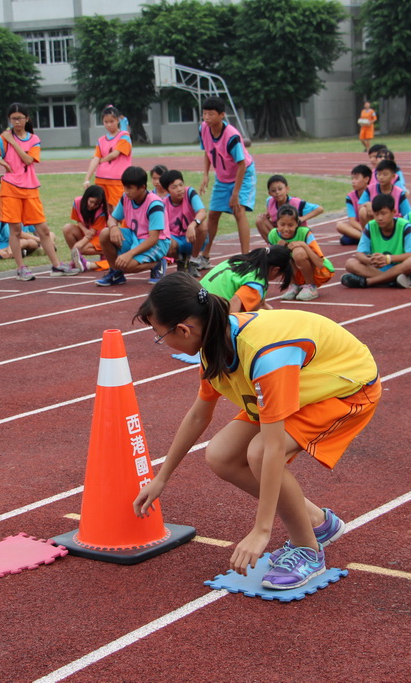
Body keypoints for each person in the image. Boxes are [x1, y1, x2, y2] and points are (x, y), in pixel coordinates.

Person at [132, 272, 382, 589]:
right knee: (221, 455)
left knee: (260, 452)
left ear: (183, 329)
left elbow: (273, 448)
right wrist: (161, 478)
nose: (160, 341)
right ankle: (317, 522)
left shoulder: (265, 355)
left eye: (158, 335)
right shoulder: (214, 341)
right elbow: (198, 415)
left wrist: (261, 530)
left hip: (345, 388)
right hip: (302, 386)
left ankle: (308, 549)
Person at [0, 103, 76, 281]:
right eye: (13, 119)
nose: (17, 122)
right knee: (15, 230)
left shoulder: (32, 139)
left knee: (43, 229)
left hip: (30, 188)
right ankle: (21, 268)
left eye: (20, 118)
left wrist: (12, 141)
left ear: (27, 119)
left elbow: (28, 160)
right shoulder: (2, 139)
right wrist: (2, 162)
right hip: (10, 189)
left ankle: (56, 265)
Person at [198, 96, 256, 264]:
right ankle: (205, 256)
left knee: (239, 211)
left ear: (222, 115)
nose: (207, 118)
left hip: (242, 174)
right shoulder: (203, 128)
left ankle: (246, 258)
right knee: (213, 214)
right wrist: (205, 174)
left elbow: (241, 165)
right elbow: (208, 151)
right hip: (223, 177)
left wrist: (235, 193)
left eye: (211, 114)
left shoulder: (232, 136)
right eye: (204, 114)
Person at [96, 166, 168, 287]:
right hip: (135, 237)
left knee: (126, 266)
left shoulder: (154, 204)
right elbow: (112, 218)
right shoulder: (126, 198)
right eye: (124, 187)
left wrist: (129, 254)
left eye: (130, 188)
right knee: (105, 233)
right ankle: (116, 273)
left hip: (157, 243)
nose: (126, 191)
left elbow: (153, 238)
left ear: (142, 187)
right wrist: (113, 228)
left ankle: (157, 264)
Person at [341, 193, 411, 289]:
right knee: (350, 263)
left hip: (401, 267)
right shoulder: (370, 226)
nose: (379, 218)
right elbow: (360, 254)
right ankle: (392, 280)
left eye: (383, 214)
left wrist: (388, 259)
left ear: (393, 212)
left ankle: (369, 282)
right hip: (381, 269)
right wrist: (371, 260)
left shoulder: (405, 226)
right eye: (376, 214)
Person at [199, 244, 293, 312]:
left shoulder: (240, 261)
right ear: (275, 270)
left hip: (197, 301)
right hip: (207, 314)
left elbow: (262, 305)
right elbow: (234, 306)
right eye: (279, 275)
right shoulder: (256, 283)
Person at [270, 205, 333, 301]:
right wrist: (277, 249)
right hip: (296, 272)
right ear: (277, 223)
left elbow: (320, 263)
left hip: (319, 271)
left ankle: (310, 286)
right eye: (282, 224)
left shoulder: (305, 233)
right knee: (282, 253)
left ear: (297, 224)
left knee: (298, 252)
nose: (286, 229)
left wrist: (303, 245)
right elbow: (272, 264)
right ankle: (294, 286)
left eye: (290, 225)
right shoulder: (273, 235)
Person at [159, 169, 208, 276]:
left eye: (181, 185)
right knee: (162, 241)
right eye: (174, 187)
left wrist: (192, 225)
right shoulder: (163, 203)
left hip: (193, 238)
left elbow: (202, 212)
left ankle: (193, 261)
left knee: (203, 225)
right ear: (167, 191)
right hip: (176, 239)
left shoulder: (190, 193)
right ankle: (180, 259)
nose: (179, 189)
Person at [83, 105, 132, 211]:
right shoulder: (101, 140)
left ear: (118, 120)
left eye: (112, 121)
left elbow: (115, 154)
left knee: (118, 210)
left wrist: (102, 160)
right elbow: (95, 159)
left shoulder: (124, 136)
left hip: (117, 180)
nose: (109, 124)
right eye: (106, 122)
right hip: (101, 179)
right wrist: (87, 178)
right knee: (104, 210)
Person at [254, 174, 323, 242]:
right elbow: (270, 215)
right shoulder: (269, 201)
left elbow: (320, 209)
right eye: (273, 191)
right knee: (260, 220)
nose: (277, 192)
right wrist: (266, 216)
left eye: (280, 189)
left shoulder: (297, 203)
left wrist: (302, 218)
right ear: (269, 193)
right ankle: (274, 244)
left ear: (287, 189)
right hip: (281, 232)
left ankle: (286, 244)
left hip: (296, 235)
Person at [64, 185, 109, 273]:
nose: (92, 206)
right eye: (91, 202)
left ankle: (104, 252)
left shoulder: (102, 210)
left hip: (100, 235)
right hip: (87, 232)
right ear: (86, 197)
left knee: (80, 248)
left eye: (96, 204)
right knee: (67, 228)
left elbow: (92, 233)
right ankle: (77, 259)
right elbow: (78, 220)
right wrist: (85, 230)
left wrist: (78, 246)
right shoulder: (77, 202)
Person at [336, 164, 372, 246]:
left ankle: (366, 237)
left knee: (346, 240)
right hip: (359, 228)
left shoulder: (373, 192)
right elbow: (352, 221)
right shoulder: (350, 197)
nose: (353, 181)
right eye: (352, 178)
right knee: (340, 226)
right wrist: (364, 231)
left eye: (356, 178)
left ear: (366, 179)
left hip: (373, 226)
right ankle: (367, 238)